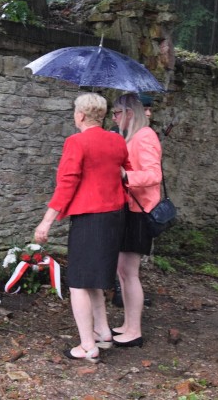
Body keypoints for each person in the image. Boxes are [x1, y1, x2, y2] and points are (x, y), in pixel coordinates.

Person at [34, 93, 132, 363]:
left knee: (78, 282)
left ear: (79, 115)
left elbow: (67, 183)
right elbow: (127, 172)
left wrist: (46, 221)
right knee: (96, 277)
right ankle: (102, 332)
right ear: (101, 115)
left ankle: (88, 346)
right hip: (115, 216)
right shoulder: (116, 140)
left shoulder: (76, 142)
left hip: (91, 218)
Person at [110, 92, 162, 348]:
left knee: (130, 273)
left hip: (140, 212)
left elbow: (154, 174)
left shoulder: (145, 136)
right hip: (130, 209)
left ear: (130, 113)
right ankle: (128, 324)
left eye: (117, 112)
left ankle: (134, 330)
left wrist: (126, 176)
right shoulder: (131, 136)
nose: (114, 117)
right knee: (123, 271)